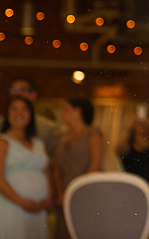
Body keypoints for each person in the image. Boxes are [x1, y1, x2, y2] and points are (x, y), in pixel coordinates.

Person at [0, 78, 57, 230]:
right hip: (8, 204)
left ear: (33, 96)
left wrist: (47, 199)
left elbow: (49, 169)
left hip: (38, 209)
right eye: (12, 91)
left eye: (20, 90)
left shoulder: (45, 132)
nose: (15, 94)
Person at [0, 96, 50, 239]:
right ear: (7, 114)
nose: (19, 114)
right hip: (11, 206)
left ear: (31, 114)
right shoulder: (1, 142)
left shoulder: (38, 143)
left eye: (24, 109)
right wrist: (21, 201)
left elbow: (46, 172)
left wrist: (47, 199)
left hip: (38, 209)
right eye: (14, 109)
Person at [53, 97, 104, 239]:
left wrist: (74, 193)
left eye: (66, 109)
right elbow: (57, 169)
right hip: (63, 196)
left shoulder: (93, 135)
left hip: (85, 194)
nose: (63, 113)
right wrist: (60, 192)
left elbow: (95, 166)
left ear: (78, 112)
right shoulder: (62, 137)